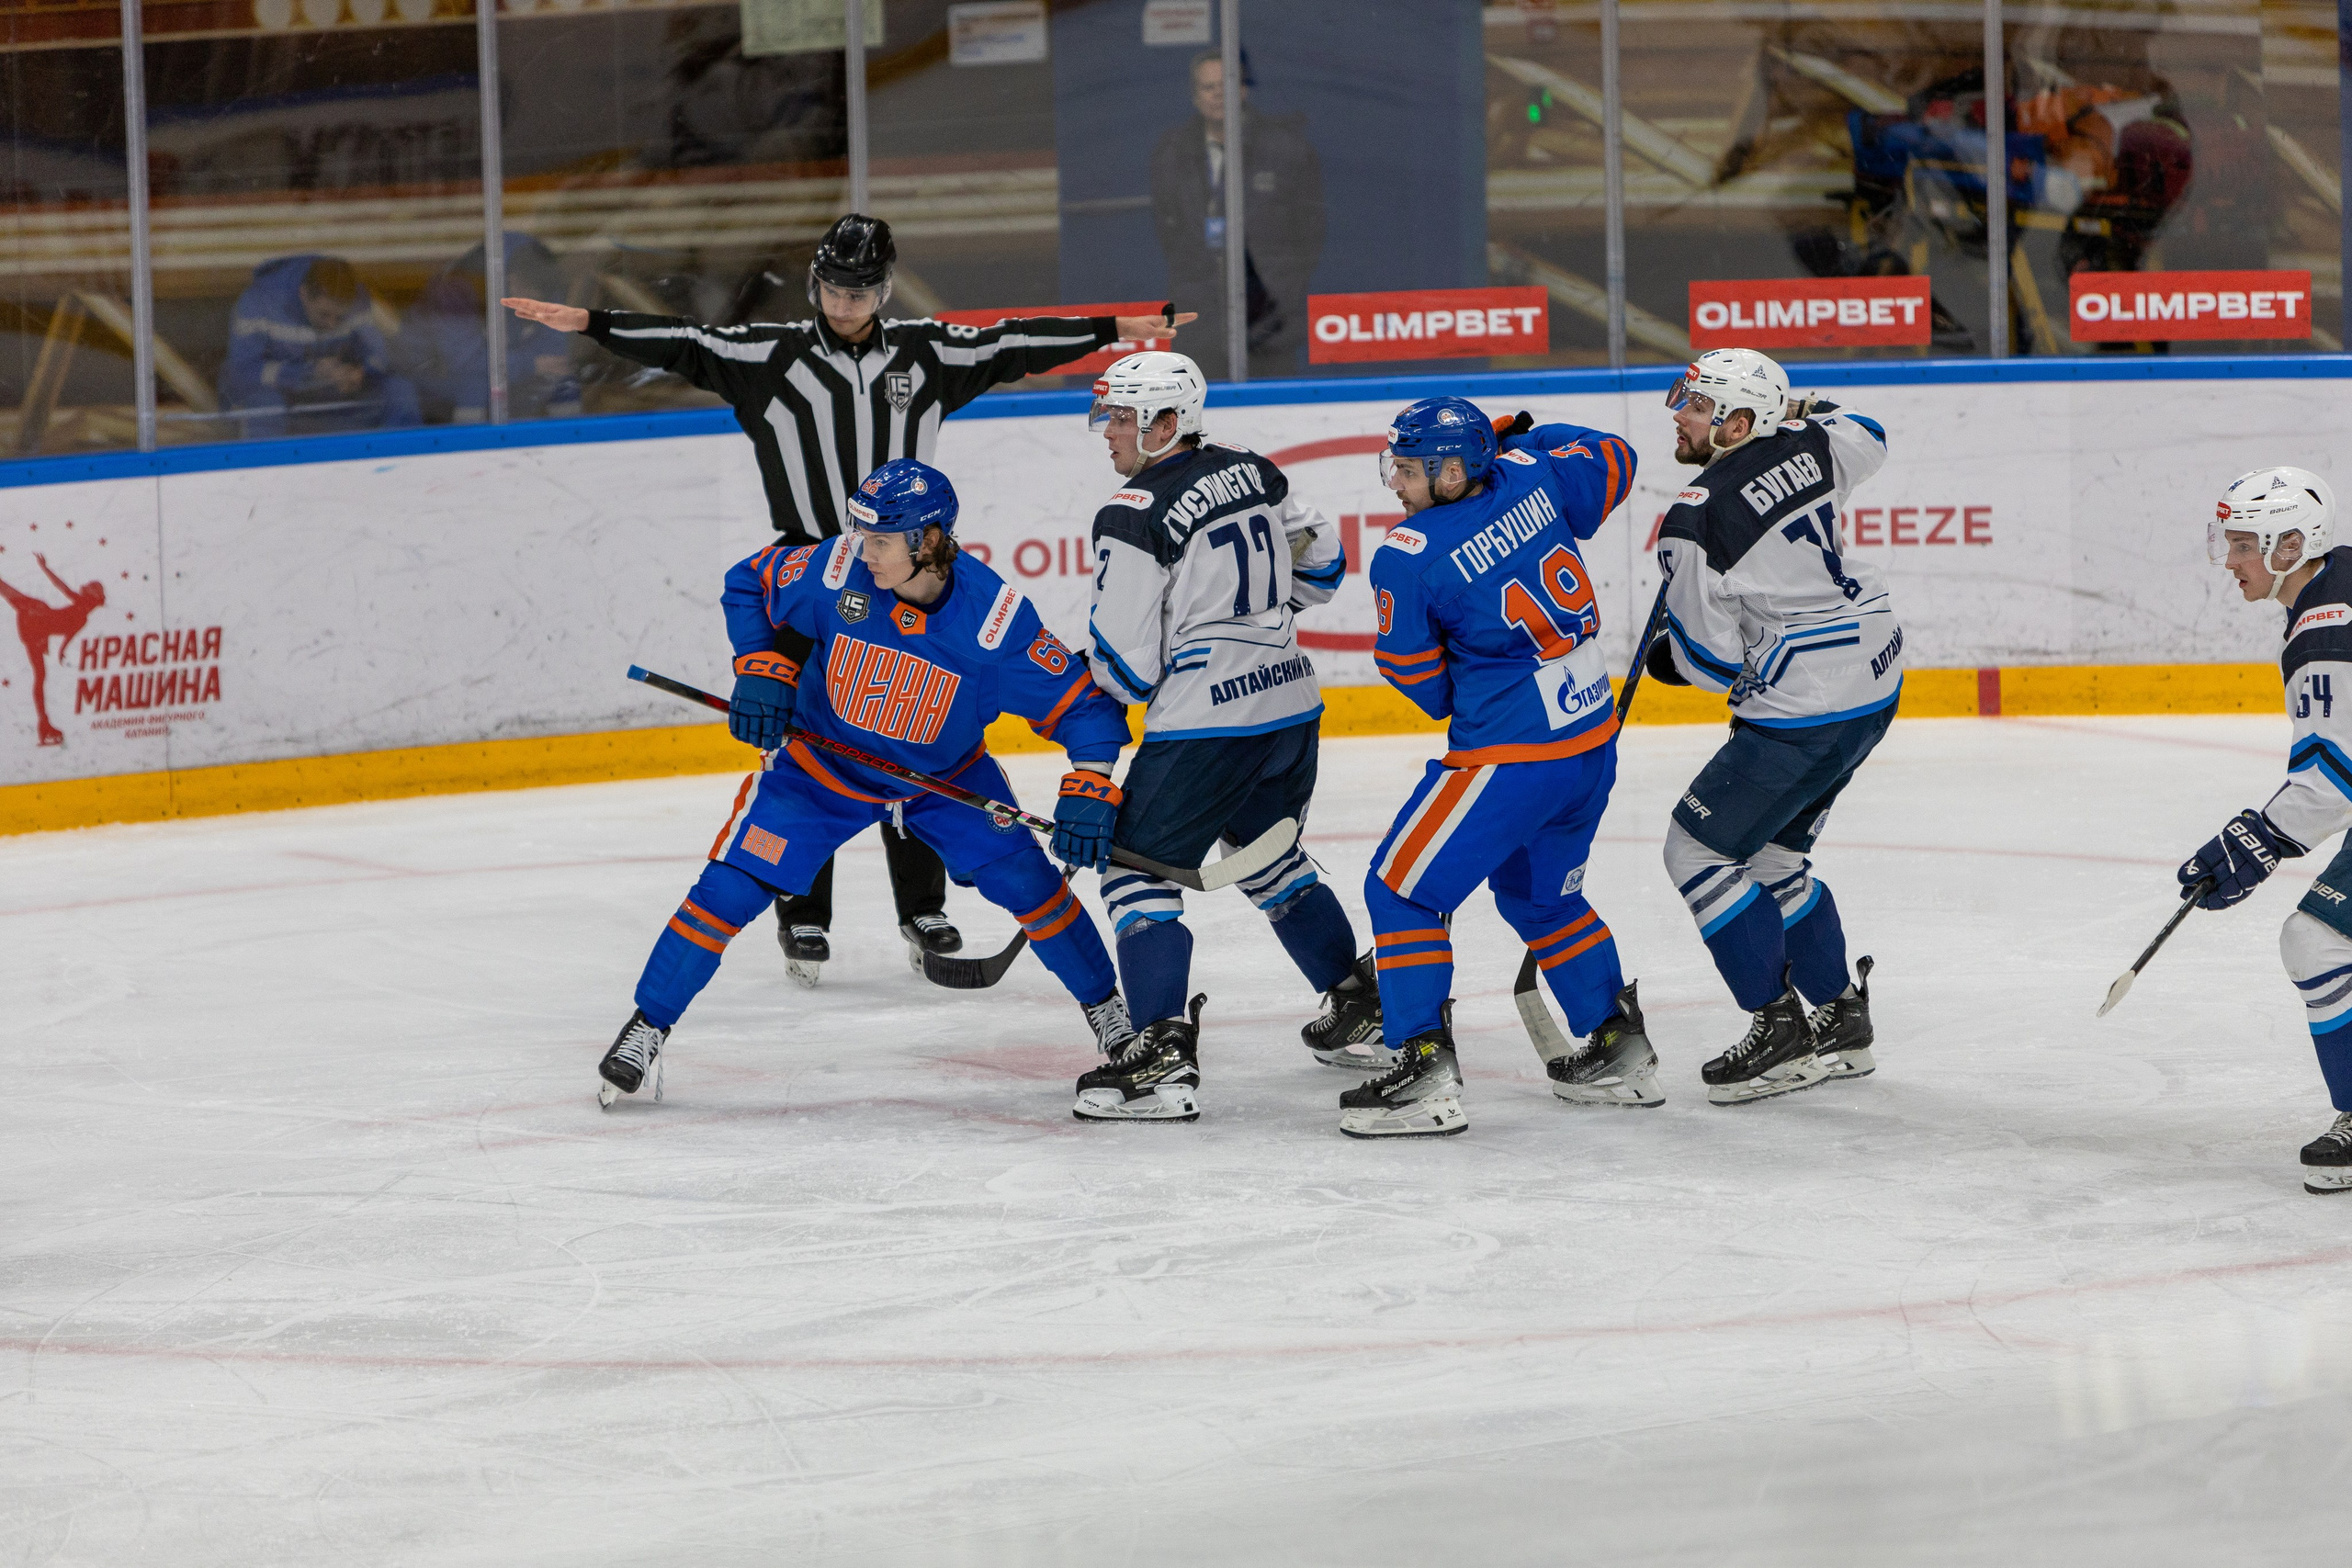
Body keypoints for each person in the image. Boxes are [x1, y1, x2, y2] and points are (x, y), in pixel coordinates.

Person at [507, 214, 1195, 986]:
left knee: (915, 727)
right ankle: (800, 904)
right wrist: (595, 322)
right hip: (813, 580)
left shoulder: (924, 354)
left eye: (861, 288)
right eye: (834, 287)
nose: (845, 302)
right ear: (815, 284)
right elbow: (688, 343)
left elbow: (1010, 343)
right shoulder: (771, 356)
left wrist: (1112, 329)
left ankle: (921, 904)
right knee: (806, 749)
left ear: (885, 288)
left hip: (903, 566)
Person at [597, 458, 1138, 1108]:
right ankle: (647, 1025)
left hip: (942, 779)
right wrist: (761, 664)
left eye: (881, 541)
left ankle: (1110, 1013)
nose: (863, 551)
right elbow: (748, 582)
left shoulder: (994, 621)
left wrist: (1089, 783)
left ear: (930, 541)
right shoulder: (836, 570)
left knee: (1030, 883)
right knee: (729, 886)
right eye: (860, 534)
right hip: (822, 770)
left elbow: (1084, 707)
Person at [1050, 350, 1357, 1123]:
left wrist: (1093, 672)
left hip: (1206, 726)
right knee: (1272, 862)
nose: (1108, 432)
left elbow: (1124, 669)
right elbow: (1324, 566)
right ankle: (1364, 1005)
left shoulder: (1131, 511)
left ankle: (1157, 1056)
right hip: (1290, 708)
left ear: (1164, 422)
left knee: (1132, 873)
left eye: (1121, 417)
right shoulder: (1254, 471)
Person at [1342, 398, 1646, 1139]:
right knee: (1542, 899)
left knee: (1401, 888)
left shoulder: (1409, 553)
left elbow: (1423, 685)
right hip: (1589, 744)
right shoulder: (1533, 475)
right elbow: (1615, 457)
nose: (1396, 483)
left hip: (1509, 758)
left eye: (1409, 469)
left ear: (1453, 471)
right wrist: (1530, 436)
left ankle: (1422, 1064)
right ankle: (1617, 1041)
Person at [1644, 347, 1897, 1105]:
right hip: (1874, 681)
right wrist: (1801, 410)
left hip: (1801, 712)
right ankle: (1841, 1021)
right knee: (1776, 861)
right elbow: (1872, 431)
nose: (1677, 414)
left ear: (1737, 422)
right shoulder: (1815, 443)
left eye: (1694, 405)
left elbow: (1709, 665)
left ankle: (1777, 1028)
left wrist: (1664, 660)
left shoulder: (1693, 516)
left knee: (1696, 849)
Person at [2176, 467, 2352, 1194]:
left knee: (2315, 939)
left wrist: (2255, 840)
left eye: (2244, 543)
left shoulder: (2322, 636)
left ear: (2289, 545)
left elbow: (2330, 779)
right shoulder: (2337, 576)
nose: (2230, 559)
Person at [1149, 51, 1325, 380]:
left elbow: (1310, 235)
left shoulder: (1285, 149)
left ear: (1244, 90)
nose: (1218, 94)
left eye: (1226, 84)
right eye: (1208, 87)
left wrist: (1278, 288)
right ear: (1195, 96)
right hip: (1199, 320)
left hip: (1270, 322)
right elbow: (1169, 232)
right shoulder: (1172, 152)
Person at [219, 255, 421, 438]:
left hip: (332, 396)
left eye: (340, 317)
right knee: (265, 404)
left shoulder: (359, 300)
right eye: (324, 314)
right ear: (304, 294)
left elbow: (382, 356)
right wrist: (307, 373)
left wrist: (358, 372)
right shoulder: (258, 303)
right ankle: (265, 469)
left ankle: (401, 460)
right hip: (279, 399)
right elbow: (240, 373)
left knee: (400, 390)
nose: (332, 324)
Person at [402, 233, 581, 423]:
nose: (532, 305)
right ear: (512, 281)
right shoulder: (457, 287)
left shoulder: (539, 268)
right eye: (527, 295)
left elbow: (555, 343)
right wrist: (531, 364)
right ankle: (469, 444)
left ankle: (577, 439)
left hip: (506, 361)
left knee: (564, 382)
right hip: (434, 368)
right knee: (474, 388)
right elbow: (462, 362)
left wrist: (551, 363)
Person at [0, 554, 105, 747]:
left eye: (89, 587)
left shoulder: (81, 609)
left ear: (92, 595)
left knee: (40, 676)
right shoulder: (82, 613)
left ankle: (44, 725)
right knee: (40, 677)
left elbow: (61, 589)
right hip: (37, 624)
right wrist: (45, 568)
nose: (85, 587)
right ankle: (44, 725)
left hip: (37, 624)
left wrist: (62, 650)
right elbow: (68, 634)